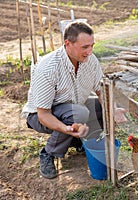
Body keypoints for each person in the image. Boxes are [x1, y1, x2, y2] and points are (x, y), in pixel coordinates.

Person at [21, 21, 127, 179]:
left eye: (92, 45)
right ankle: (48, 153)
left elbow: (101, 92)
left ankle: (83, 143)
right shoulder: (49, 68)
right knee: (78, 113)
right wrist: (67, 129)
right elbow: (43, 114)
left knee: (100, 107)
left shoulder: (90, 61)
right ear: (67, 43)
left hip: (74, 108)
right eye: (85, 47)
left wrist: (113, 108)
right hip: (40, 115)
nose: (90, 51)